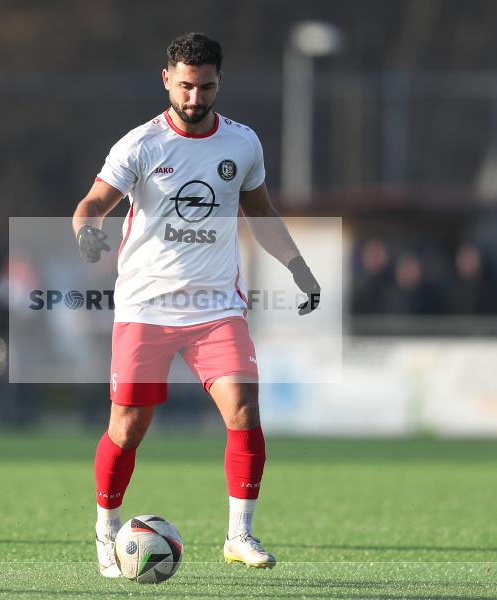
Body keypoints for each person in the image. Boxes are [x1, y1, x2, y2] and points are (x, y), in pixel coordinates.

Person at [71, 32, 321, 578]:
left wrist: (298, 268)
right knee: (128, 427)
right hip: (146, 306)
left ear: (219, 83)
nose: (194, 97)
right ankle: (106, 531)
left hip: (215, 308)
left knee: (245, 412)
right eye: (185, 85)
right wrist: (88, 228)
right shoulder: (140, 144)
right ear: (167, 80)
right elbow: (92, 202)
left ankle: (239, 534)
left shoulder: (243, 144)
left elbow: (262, 213)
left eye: (205, 86)